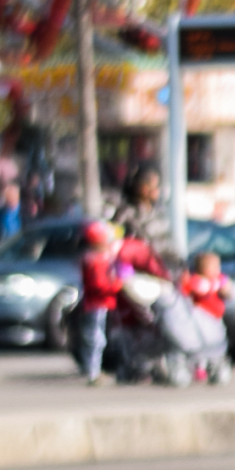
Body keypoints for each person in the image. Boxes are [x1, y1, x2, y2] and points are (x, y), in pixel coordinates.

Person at [75, 221, 123, 384]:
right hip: (98, 304)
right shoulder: (96, 260)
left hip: (101, 303)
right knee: (96, 338)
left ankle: (95, 369)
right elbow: (100, 285)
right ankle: (93, 372)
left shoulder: (93, 258)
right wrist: (118, 284)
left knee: (98, 337)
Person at [112, 164, 171, 248]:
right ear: (144, 189)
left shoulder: (158, 212)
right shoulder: (126, 214)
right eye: (156, 186)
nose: (158, 190)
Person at [179, 250, 229, 319]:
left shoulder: (219, 279)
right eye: (213, 267)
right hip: (202, 317)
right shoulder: (195, 281)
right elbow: (186, 291)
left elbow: (228, 293)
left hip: (216, 318)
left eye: (217, 266)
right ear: (202, 268)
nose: (217, 270)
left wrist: (224, 288)